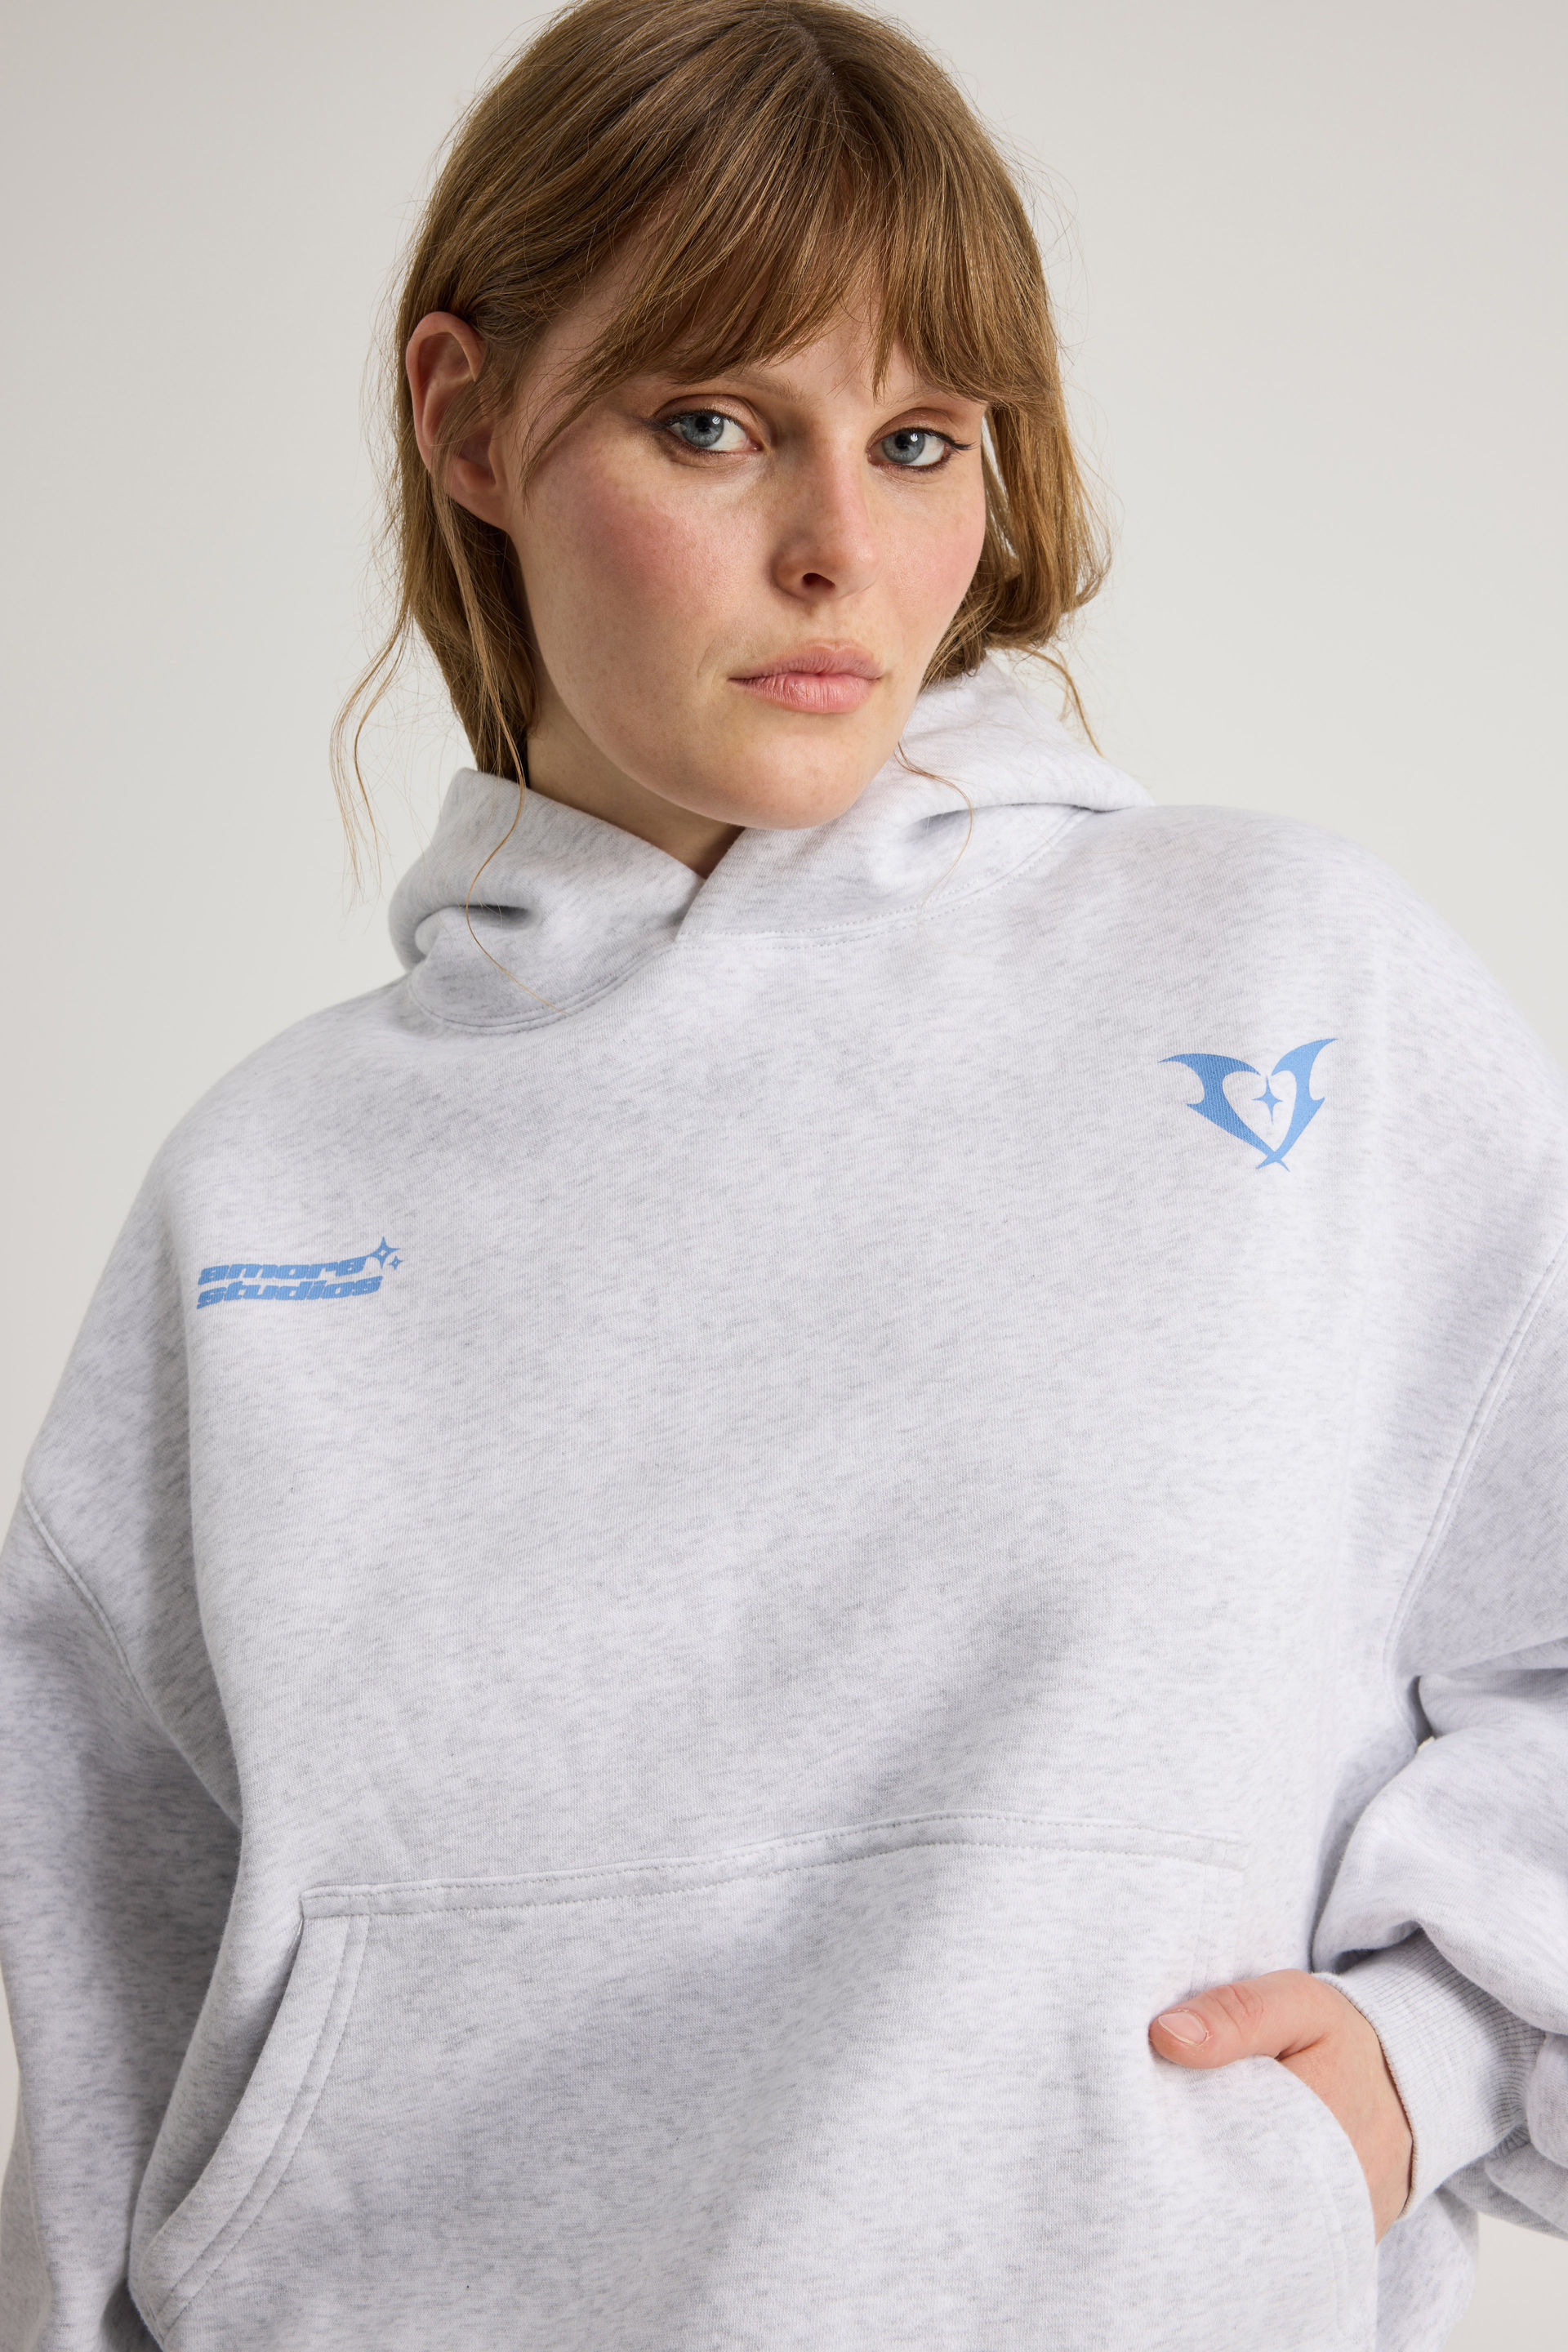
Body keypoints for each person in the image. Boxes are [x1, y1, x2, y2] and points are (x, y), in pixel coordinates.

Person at [1, 0, 1564, 2345]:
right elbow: (108, 2008)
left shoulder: (1281, 992)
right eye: (714, 424)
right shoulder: (268, 1190)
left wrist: (1430, 2066)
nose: (841, 547)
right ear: (472, 424)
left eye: (921, 441)